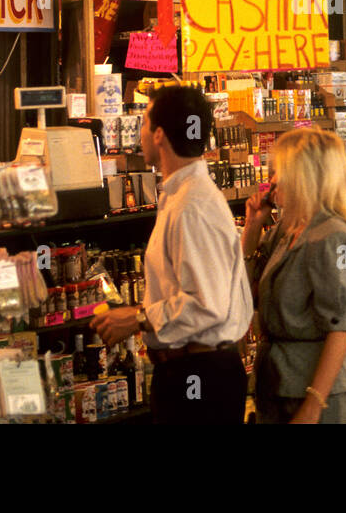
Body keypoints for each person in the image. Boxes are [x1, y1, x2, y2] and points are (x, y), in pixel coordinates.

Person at [91, 85, 252, 424]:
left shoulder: (191, 206)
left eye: (145, 123)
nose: (142, 133)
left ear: (160, 134)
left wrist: (137, 318)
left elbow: (205, 304)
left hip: (199, 376)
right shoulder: (182, 196)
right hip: (190, 370)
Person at [241, 128, 346, 423]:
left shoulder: (334, 237)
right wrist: (253, 228)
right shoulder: (286, 229)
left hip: (314, 390)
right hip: (277, 384)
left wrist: (314, 402)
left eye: (278, 171)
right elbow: (243, 291)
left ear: (303, 175)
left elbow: (341, 326)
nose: (271, 181)